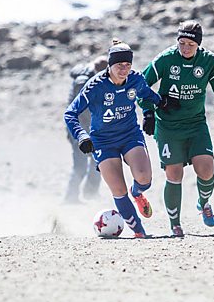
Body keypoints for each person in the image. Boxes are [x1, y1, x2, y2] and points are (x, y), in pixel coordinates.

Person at [139, 20, 214, 238]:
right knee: (174, 173)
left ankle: (203, 203)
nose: (185, 48)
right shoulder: (166, 59)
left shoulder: (210, 62)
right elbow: (141, 86)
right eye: (181, 43)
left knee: (206, 169)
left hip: (195, 124)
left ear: (198, 45)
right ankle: (175, 225)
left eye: (190, 45)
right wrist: (148, 112)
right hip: (167, 126)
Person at [64, 39, 163, 238]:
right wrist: (82, 136)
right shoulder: (95, 86)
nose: (124, 69)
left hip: (130, 135)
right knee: (118, 188)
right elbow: (70, 113)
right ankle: (139, 232)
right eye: (119, 65)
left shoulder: (135, 79)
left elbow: (147, 94)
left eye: (127, 65)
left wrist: (159, 105)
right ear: (110, 65)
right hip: (103, 141)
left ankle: (137, 192)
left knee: (144, 178)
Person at [63, 55, 107, 204]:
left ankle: (90, 193)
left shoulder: (90, 76)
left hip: (91, 128)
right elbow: (80, 110)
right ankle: (70, 197)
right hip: (79, 130)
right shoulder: (83, 81)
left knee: (99, 161)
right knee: (80, 165)